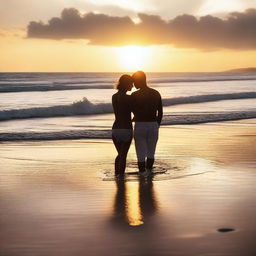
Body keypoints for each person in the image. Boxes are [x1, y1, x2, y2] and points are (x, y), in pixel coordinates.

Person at [131, 71, 163, 173]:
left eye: (134, 81)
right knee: (151, 152)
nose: (133, 84)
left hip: (140, 125)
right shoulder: (156, 93)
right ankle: (149, 174)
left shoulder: (134, 95)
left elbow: (132, 110)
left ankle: (142, 175)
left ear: (139, 80)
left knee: (140, 154)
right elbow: (160, 112)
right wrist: (157, 124)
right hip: (153, 125)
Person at [112, 74, 133, 176]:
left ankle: (116, 174)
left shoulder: (114, 97)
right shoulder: (129, 98)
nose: (132, 86)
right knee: (123, 156)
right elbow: (135, 111)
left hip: (115, 129)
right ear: (127, 84)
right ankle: (120, 177)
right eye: (131, 84)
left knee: (120, 155)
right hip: (126, 129)